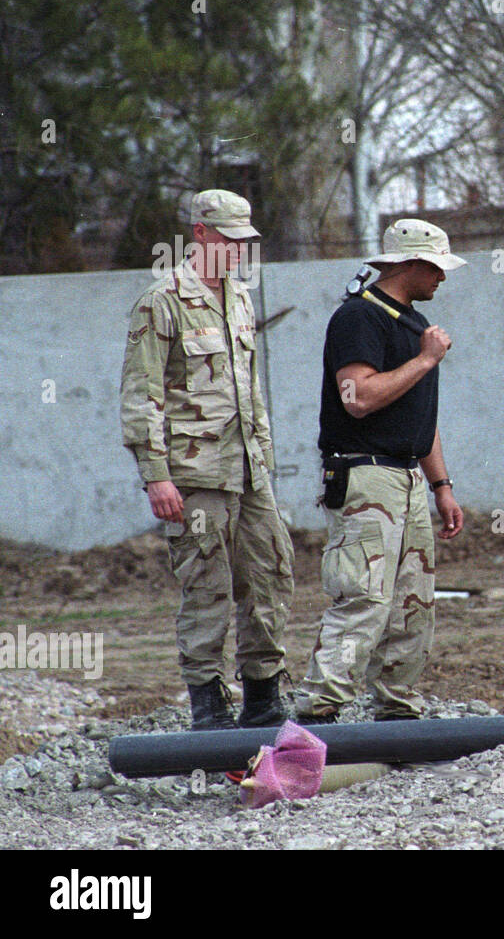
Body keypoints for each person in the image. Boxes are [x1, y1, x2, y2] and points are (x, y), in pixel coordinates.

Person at [120, 188, 294, 730]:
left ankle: (263, 697)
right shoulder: (162, 300)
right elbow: (140, 394)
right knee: (207, 585)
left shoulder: (240, 298)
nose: (240, 249)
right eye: (229, 238)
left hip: (247, 471)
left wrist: (263, 456)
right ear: (200, 234)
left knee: (270, 571)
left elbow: (251, 388)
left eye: (246, 240)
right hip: (195, 474)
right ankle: (209, 706)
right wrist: (156, 477)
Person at [296, 219, 465, 724]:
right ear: (409, 264)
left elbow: (420, 417)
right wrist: (426, 359)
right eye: (436, 266)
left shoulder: (411, 324)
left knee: (413, 604)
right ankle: (315, 722)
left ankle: (397, 719)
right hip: (367, 477)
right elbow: (359, 398)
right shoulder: (360, 319)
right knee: (364, 600)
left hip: (407, 478)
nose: (442, 277)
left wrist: (441, 485)